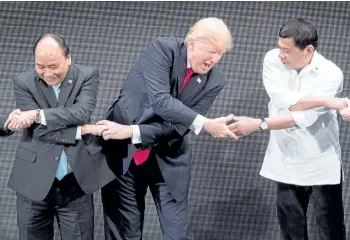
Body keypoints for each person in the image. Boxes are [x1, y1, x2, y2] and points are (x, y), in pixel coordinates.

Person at [96, 17, 236, 240]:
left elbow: (179, 128)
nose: (213, 59)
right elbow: (161, 102)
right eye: (210, 51)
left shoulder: (215, 80)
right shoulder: (162, 49)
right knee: (125, 231)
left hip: (169, 158)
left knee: (178, 234)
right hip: (124, 154)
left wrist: (133, 132)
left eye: (219, 54)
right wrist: (205, 123)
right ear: (192, 42)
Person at [229, 18, 346, 240]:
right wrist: (326, 101)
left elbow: (304, 118)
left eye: (287, 50)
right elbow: (285, 102)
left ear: (308, 50)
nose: (280, 54)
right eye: (279, 47)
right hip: (286, 160)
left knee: (330, 230)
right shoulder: (272, 60)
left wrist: (259, 124)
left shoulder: (331, 73)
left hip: (321, 162)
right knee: (290, 231)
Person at [7, 33, 115, 240]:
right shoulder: (22, 81)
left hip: (75, 183)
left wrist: (38, 115)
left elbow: (81, 112)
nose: (47, 73)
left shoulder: (87, 75)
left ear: (68, 58)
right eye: (40, 66)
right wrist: (83, 130)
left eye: (53, 66)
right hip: (33, 181)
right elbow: (38, 130)